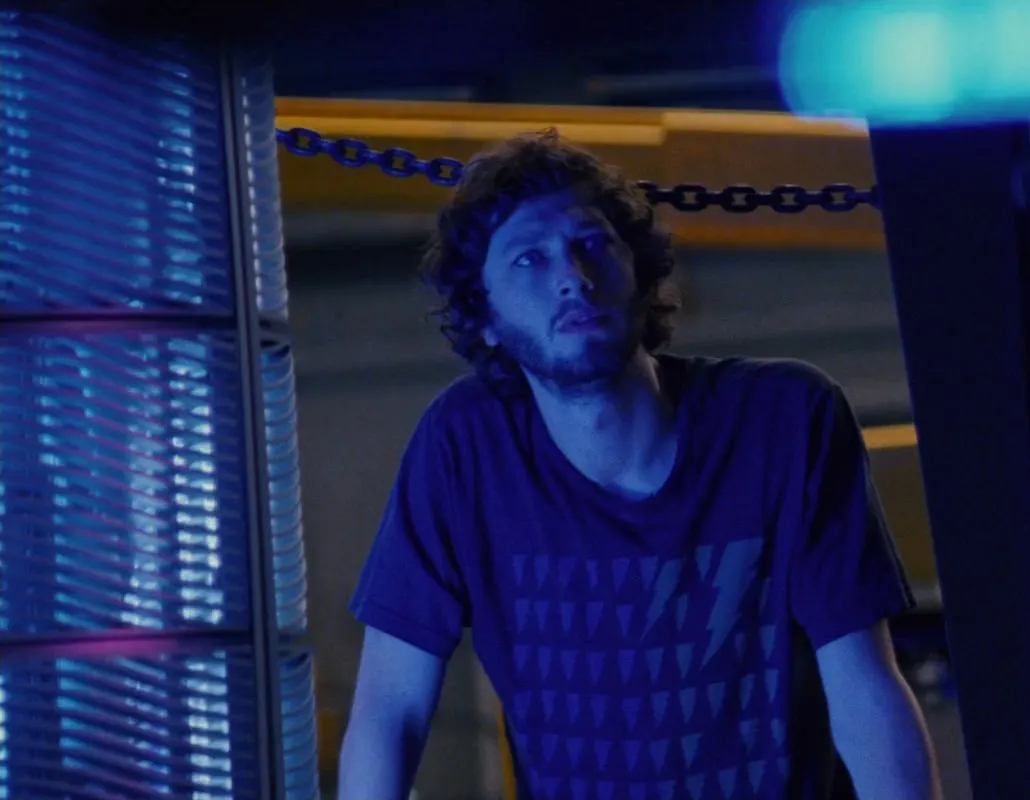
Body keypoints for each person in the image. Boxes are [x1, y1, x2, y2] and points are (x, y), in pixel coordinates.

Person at [338, 129, 940, 800]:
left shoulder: (784, 418)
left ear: (640, 270)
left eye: (592, 243)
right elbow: (391, 708)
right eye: (529, 259)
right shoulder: (464, 447)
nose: (572, 276)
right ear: (484, 315)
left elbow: (864, 686)